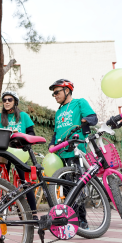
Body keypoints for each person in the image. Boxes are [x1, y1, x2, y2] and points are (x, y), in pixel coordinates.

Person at [48, 79, 98, 229]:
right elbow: (56, 131)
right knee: (65, 188)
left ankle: (82, 221)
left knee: (77, 186)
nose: (55, 95)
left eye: (57, 92)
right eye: (53, 93)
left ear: (67, 90)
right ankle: (70, 217)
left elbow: (93, 118)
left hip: (75, 150)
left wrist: (85, 120)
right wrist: (51, 144)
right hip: (60, 152)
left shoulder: (79, 102)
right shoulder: (58, 112)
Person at [0, 91, 38, 219]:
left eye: (9, 99)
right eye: (4, 100)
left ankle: (33, 214)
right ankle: (1, 211)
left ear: (15, 102)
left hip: (20, 151)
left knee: (26, 182)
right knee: (2, 181)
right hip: (5, 150)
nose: (6, 102)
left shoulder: (24, 116)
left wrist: (21, 136)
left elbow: (31, 133)